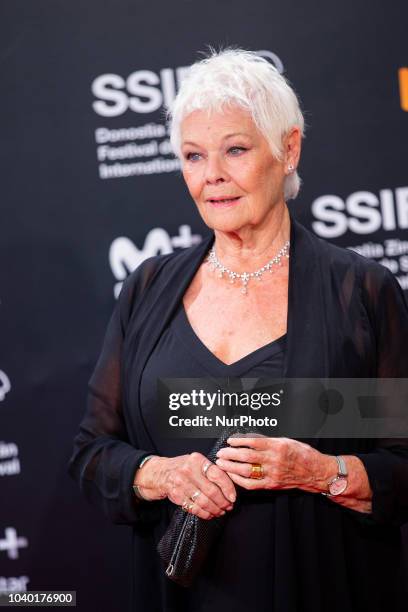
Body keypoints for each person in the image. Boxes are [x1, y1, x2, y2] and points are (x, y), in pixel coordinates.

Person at [68, 48, 408, 612]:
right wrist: (157, 474)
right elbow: (93, 453)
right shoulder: (149, 290)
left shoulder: (360, 293)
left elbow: (401, 466)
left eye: (235, 150)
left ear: (288, 149)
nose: (212, 177)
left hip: (322, 588)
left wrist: (321, 473)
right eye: (194, 156)